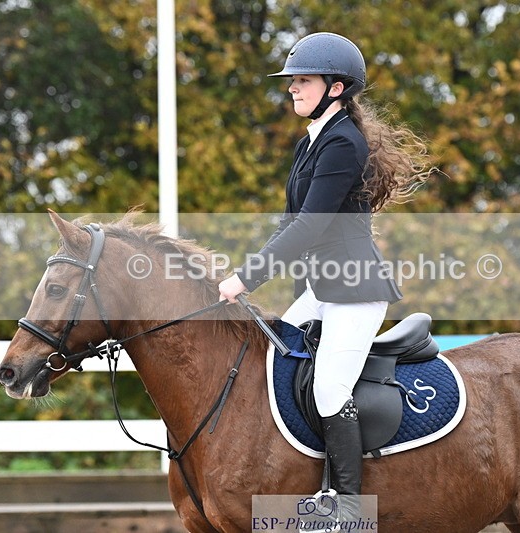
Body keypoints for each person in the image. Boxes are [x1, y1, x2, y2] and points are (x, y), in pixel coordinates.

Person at [218, 32, 429, 529]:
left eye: (303, 80)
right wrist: (245, 276)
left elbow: (313, 225)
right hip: (321, 287)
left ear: (336, 88)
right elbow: (290, 223)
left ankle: (345, 506)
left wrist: (246, 278)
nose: (292, 88)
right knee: (275, 362)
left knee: (331, 391)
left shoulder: (343, 142)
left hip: (354, 291)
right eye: (292, 81)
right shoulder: (311, 139)